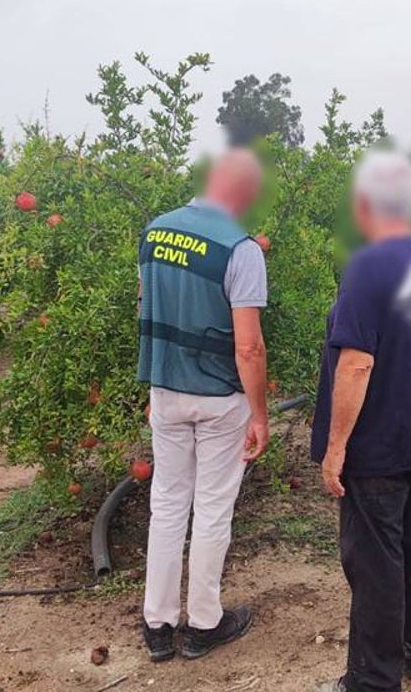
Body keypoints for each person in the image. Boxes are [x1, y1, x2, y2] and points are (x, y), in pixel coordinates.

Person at [311, 150, 411, 692]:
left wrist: (335, 449)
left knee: (376, 566)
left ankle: (371, 681)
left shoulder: (368, 268)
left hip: (376, 451)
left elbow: (356, 363)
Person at [137, 148, 271, 662]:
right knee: (213, 508)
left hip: (165, 392)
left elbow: (147, 307)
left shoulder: (155, 233)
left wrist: (157, 386)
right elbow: (249, 347)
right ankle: (203, 624)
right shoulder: (240, 249)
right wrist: (259, 415)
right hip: (219, 398)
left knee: (167, 504)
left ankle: (158, 623)